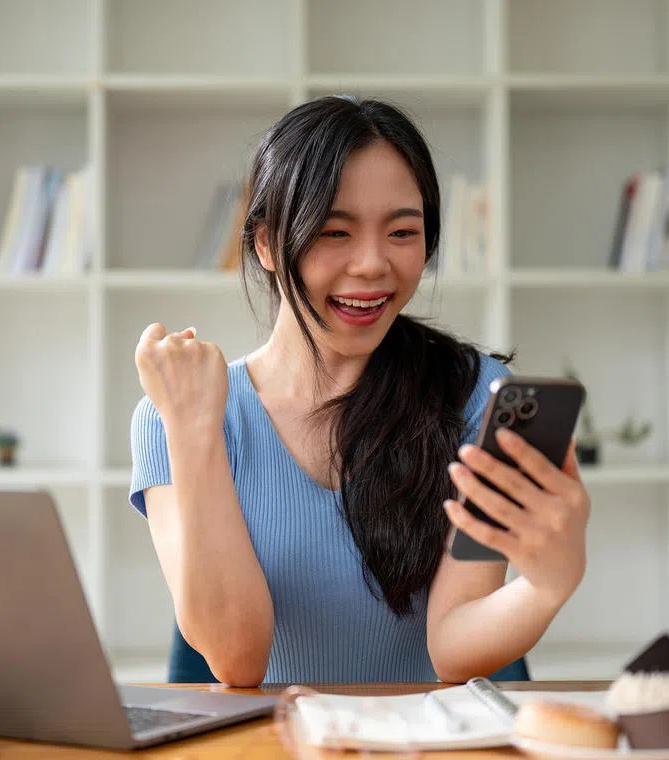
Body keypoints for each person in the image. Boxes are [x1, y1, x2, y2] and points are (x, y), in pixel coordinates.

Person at [128, 95, 591, 687]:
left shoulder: (481, 399)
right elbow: (237, 659)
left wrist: (549, 584)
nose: (373, 264)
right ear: (267, 243)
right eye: (334, 231)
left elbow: (452, 646)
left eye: (403, 231)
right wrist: (194, 432)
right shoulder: (172, 415)